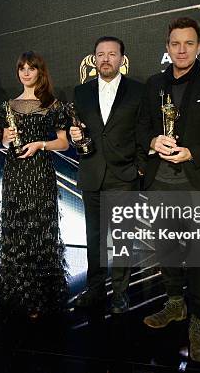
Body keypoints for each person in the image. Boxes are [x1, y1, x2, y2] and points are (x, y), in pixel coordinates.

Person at [140, 17, 200, 363]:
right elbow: (141, 127)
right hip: (160, 183)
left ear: (199, 47)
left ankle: (199, 324)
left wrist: (194, 152)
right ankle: (175, 303)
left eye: (189, 43)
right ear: (167, 47)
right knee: (167, 249)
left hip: (197, 185)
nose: (182, 50)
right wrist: (152, 140)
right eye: (175, 44)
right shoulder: (153, 84)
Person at [70, 36, 149, 314]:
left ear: (121, 59)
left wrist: (139, 167)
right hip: (91, 172)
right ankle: (95, 288)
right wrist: (75, 137)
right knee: (94, 237)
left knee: (122, 239)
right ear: (94, 59)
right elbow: (79, 133)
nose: (105, 59)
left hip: (124, 174)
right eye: (100, 54)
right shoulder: (81, 93)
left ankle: (120, 292)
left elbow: (144, 131)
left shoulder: (139, 91)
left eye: (111, 54)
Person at [0, 51, 69, 319]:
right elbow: (4, 142)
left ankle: (40, 295)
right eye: (22, 68)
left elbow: (63, 142)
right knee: (15, 230)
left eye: (31, 68)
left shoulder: (52, 104)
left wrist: (40, 143)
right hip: (15, 173)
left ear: (40, 72)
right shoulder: (9, 105)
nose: (26, 73)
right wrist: (6, 138)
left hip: (40, 174)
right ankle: (17, 293)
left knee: (40, 231)